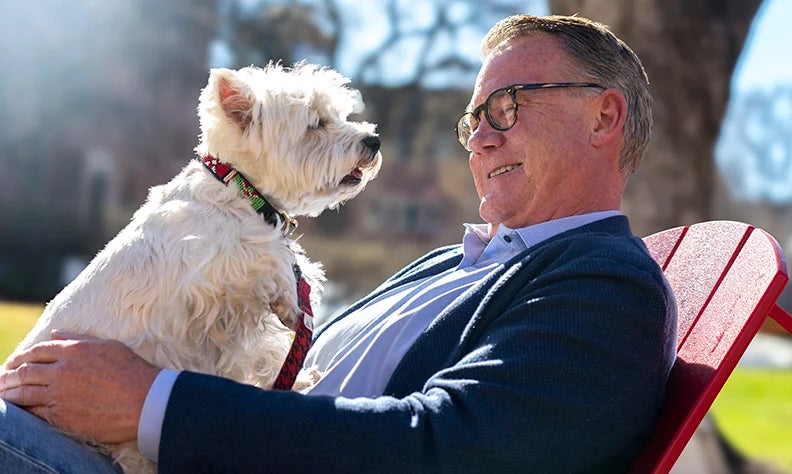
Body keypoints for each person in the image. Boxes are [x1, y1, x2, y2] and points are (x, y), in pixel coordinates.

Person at [0, 13, 677, 473]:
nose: (481, 138)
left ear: (603, 115)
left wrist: (148, 403)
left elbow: (447, 450)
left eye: (506, 107)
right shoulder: (453, 264)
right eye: (472, 120)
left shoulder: (606, 287)